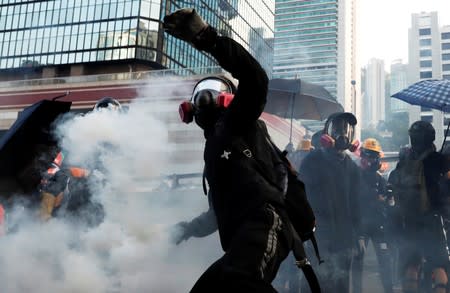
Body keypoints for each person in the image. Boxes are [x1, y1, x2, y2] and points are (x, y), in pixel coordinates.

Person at [163, 8, 302, 293]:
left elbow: (255, 80)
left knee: (241, 283)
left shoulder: (239, 122)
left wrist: (207, 38)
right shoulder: (213, 151)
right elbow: (217, 213)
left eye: (214, 90)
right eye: (202, 93)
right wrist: (185, 229)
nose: (206, 97)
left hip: (266, 222)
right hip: (241, 237)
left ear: (229, 99)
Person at [298, 112, 362, 293]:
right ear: (327, 133)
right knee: (315, 282)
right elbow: (301, 196)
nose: (343, 134)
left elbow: (356, 205)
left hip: (344, 238)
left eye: (347, 129)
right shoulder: (313, 161)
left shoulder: (352, 168)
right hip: (319, 237)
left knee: (341, 284)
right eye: (338, 128)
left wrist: (359, 236)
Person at [38, 97, 122, 226]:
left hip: (109, 203)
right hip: (78, 201)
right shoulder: (78, 138)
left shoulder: (118, 143)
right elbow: (54, 171)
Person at [388, 121, 450, 293]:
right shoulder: (439, 159)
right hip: (433, 221)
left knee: (411, 266)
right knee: (440, 267)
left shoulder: (405, 161)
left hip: (409, 221)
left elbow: (393, 186)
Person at [352, 138, 394, 293]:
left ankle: (389, 290)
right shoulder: (356, 176)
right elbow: (358, 198)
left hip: (378, 226)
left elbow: (388, 202)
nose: (371, 160)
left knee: (385, 261)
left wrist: (389, 200)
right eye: (369, 156)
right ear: (362, 155)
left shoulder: (379, 178)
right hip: (361, 226)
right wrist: (376, 198)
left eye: (374, 156)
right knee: (358, 261)